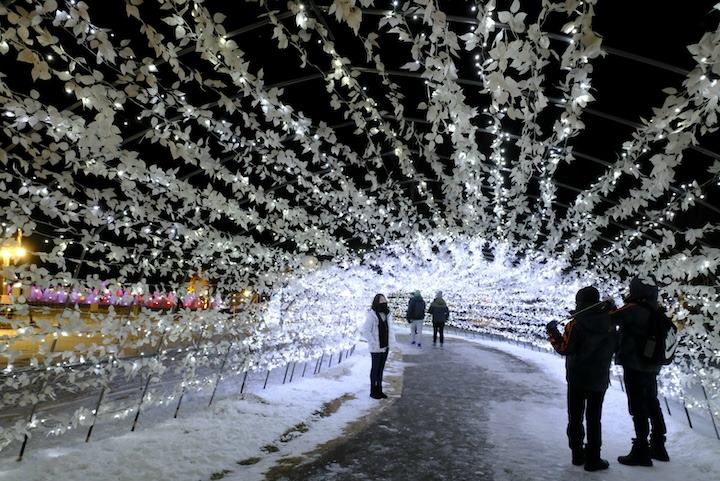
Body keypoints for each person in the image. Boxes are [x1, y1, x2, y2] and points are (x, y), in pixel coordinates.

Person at [546, 286, 616, 472]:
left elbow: (564, 348)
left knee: (575, 417)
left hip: (577, 378)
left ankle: (577, 454)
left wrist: (553, 332)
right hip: (599, 378)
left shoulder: (575, 324)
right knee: (594, 419)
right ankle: (594, 458)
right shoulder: (610, 321)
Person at [611, 276, 669, 466]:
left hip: (635, 364)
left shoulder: (633, 309)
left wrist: (609, 306)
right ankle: (659, 444)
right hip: (653, 365)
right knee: (652, 401)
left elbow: (611, 319)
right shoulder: (658, 310)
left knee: (637, 405)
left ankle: (641, 449)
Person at [361, 294, 396, 399]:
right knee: (375, 369)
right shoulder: (372, 315)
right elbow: (366, 330)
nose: (384, 301)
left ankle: (379, 390)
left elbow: (390, 329)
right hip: (376, 347)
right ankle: (373, 391)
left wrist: (391, 342)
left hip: (385, 346)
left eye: (384, 299)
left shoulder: (387, 314)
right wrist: (373, 342)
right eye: (381, 299)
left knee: (381, 369)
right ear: (377, 301)